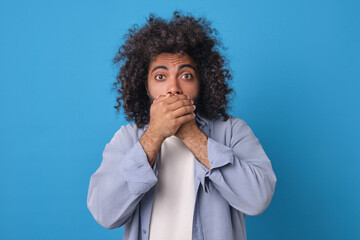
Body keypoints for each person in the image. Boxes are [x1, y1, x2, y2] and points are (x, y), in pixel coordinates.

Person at [87, 10, 277, 240]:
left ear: (202, 82)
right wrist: (154, 135)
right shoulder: (127, 138)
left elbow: (257, 200)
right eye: (160, 77)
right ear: (145, 86)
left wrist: (191, 136)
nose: (173, 88)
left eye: (186, 75)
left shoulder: (232, 132)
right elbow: (105, 214)